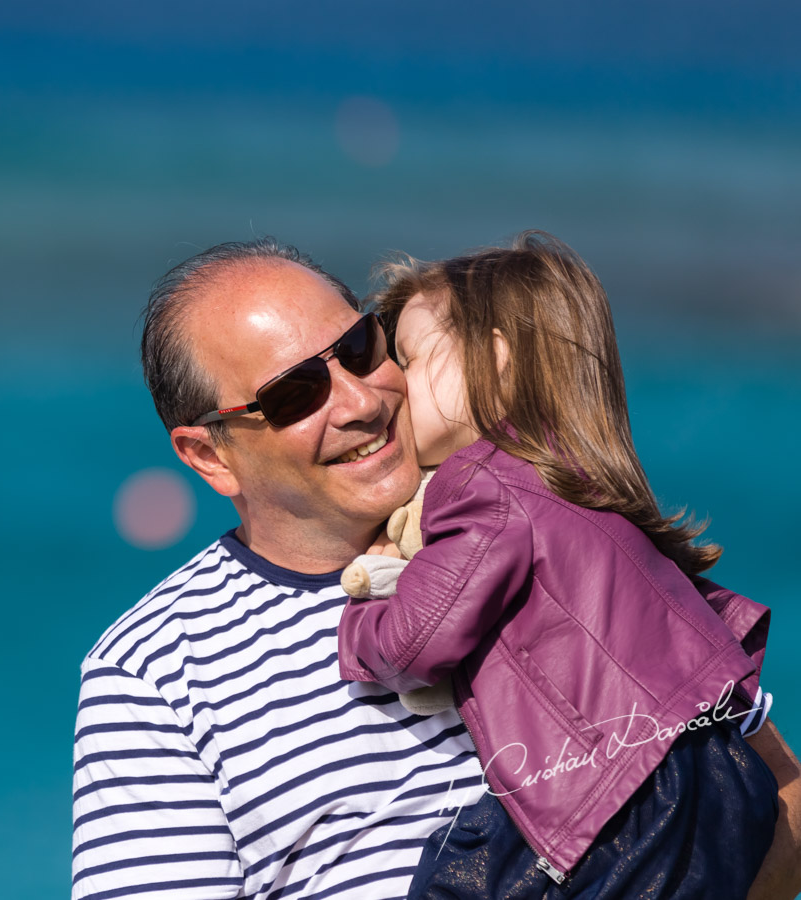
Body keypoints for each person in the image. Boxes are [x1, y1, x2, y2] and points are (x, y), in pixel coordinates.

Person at [71, 238, 801, 900]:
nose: (358, 402)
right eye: (296, 394)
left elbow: (779, 795)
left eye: (360, 348)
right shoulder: (156, 670)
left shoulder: (557, 520)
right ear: (210, 455)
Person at [337, 231, 776, 897]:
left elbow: (419, 642)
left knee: (453, 878)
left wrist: (360, 622)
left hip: (617, 793)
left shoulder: (482, 483)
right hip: (723, 777)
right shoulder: (582, 484)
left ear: (497, 361)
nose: (391, 386)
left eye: (413, 358)